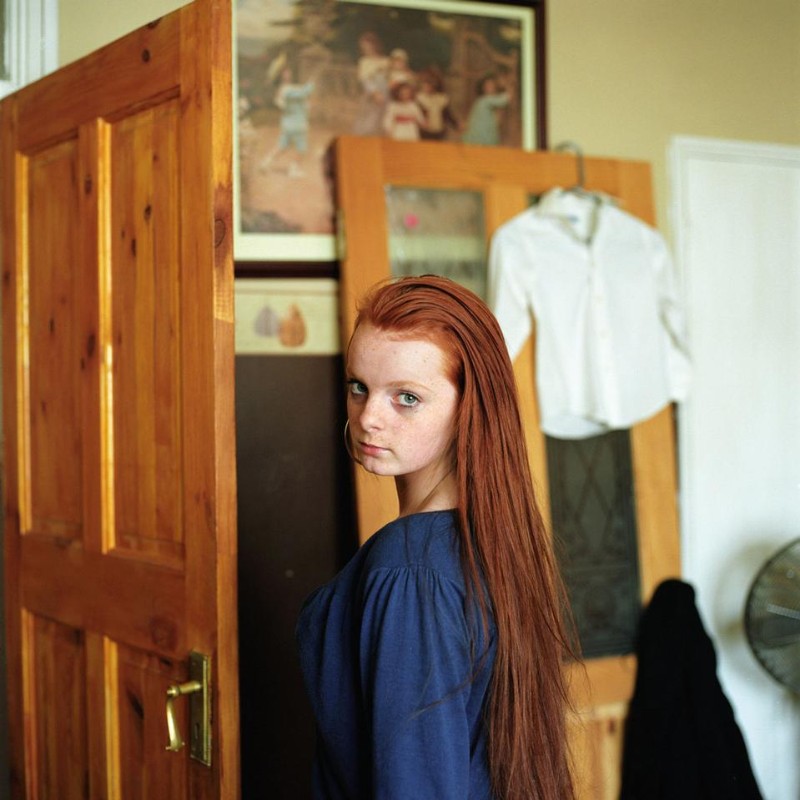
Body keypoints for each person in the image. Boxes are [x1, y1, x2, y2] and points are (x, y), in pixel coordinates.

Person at [296, 275, 576, 799]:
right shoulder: (488, 539)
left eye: (406, 397)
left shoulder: (411, 573)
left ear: (470, 407)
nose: (368, 419)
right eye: (358, 386)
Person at [462, 73, 510, 146]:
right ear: (483, 88)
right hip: (481, 139)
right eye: (487, 86)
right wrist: (505, 86)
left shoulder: (484, 101)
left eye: (492, 85)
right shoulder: (484, 101)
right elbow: (505, 99)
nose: (490, 88)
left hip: (484, 139)